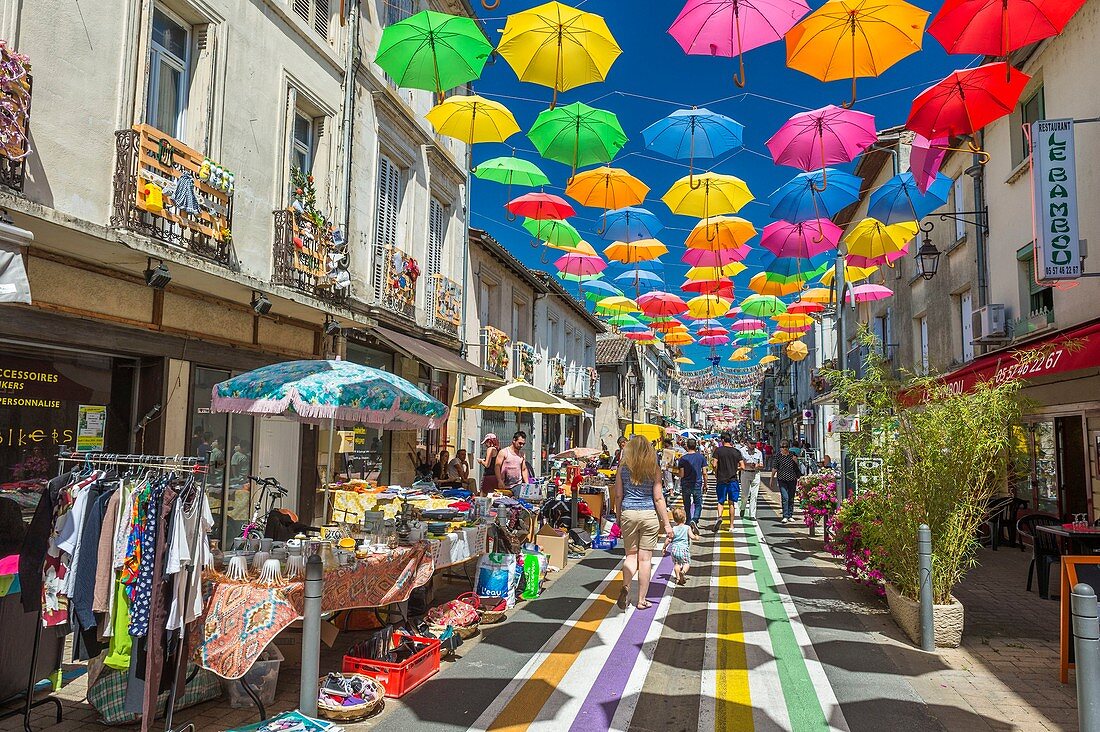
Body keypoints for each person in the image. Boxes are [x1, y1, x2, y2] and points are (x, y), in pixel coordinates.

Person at [612, 435, 673, 610]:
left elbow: (618, 495)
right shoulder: (654, 469)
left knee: (630, 556)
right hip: (648, 514)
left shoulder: (622, 468)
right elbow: (658, 497)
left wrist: (618, 516)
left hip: (628, 513)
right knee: (645, 559)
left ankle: (626, 587)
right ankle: (641, 600)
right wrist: (667, 524)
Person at [711, 432, 745, 533]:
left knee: (720, 501)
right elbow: (742, 467)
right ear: (730, 440)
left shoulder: (718, 451)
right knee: (731, 503)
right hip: (733, 480)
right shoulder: (736, 452)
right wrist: (735, 468)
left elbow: (714, 464)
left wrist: (716, 471)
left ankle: (720, 517)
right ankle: (731, 526)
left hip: (721, 479)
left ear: (722, 440)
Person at [676, 438, 707, 530]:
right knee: (698, 503)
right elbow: (704, 473)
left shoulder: (683, 459)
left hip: (685, 484)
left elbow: (681, 474)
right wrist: (706, 484)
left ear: (687, 446)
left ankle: (688, 520)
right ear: (696, 446)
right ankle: (695, 519)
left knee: (687, 504)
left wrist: (673, 472)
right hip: (697, 484)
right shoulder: (701, 457)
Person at [665, 506, 699, 586]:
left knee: (677, 564)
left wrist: (664, 547)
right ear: (684, 518)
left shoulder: (674, 528)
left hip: (674, 550)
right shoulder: (687, 528)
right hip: (683, 550)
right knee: (686, 563)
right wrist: (696, 537)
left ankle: (677, 577)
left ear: (674, 519)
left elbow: (669, 539)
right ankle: (683, 572)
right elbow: (692, 536)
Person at [774, 440, 804, 524]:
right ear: (780, 448)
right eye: (783, 447)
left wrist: (795, 461)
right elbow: (775, 467)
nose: (784, 448)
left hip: (792, 479)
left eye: (786, 447)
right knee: (785, 497)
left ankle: (790, 515)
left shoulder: (792, 455)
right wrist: (771, 479)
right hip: (782, 479)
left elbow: (796, 466)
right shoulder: (778, 456)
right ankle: (785, 516)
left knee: (791, 497)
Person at [739, 441, 764, 521]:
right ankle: (742, 507)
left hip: (756, 474)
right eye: (751, 443)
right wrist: (747, 464)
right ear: (747, 443)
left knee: (754, 495)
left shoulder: (759, 452)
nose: (753, 445)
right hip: (745, 473)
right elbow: (739, 463)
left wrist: (758, 465)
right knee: (745, 494)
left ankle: (752, 514)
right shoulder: (742, 451)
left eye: (754, 443)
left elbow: (762, 465)